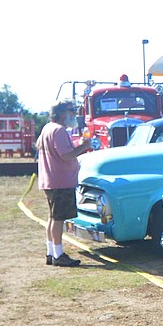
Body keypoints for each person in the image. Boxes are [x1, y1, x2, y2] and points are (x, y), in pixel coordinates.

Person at [37, 101, 94, 266]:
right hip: (60, 181)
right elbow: (65, 155)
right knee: (58, 219)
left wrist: (77, 145)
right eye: (71, 111)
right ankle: (58, 254)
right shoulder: (59, 130)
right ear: (62, 113)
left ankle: (51, 252)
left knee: (53, 217)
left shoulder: (47, 128)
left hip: (51, 180)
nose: (74, 114)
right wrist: (83, 146)